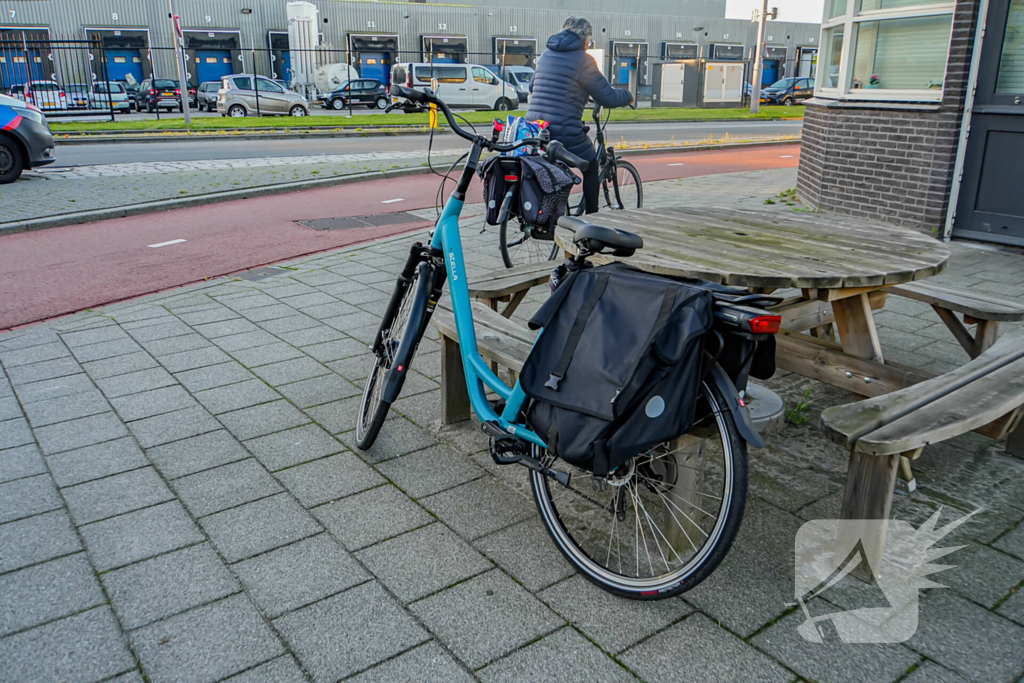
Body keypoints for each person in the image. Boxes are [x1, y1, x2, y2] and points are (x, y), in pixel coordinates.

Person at [527, 17, 633, 214]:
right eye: (590, 41)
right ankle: (592, 218)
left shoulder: (546, 55)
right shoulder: (584, 60)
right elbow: (608, 96)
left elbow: (532, 86)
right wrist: (628, 97)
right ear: (585, 40)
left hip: (536, 128)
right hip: (563, 131)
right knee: (591, 166)